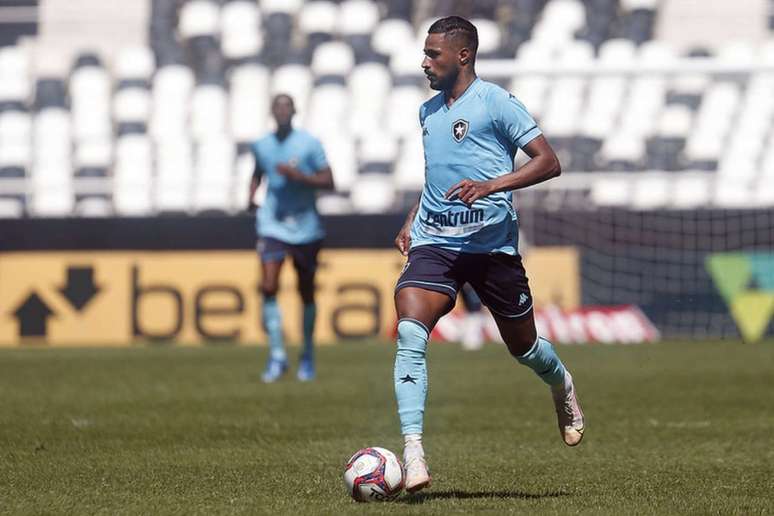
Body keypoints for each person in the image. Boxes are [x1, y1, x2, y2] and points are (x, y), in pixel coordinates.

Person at [392, 16, 585, 492]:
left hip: (492, 247)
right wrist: (412, 216)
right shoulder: (427, 111)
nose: (424, 62)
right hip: (436, 242)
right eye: (425, 52)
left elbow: (548, 161)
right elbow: (436, 173)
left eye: (433, 54)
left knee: (524, 348)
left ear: (463, 55)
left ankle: (560, 382)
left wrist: (491, 185)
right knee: (410, 330)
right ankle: (413, 453)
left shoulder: (497, 102)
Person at [248, 94, 335, 383]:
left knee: (305, 291)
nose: (282, 111)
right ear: (272, 112)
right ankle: (277, 355)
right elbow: (258, 172)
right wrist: (250, 198)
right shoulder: (262, 145)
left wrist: (299, 177)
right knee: (269, 285)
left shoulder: (309, 144)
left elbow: (329, 181)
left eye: (287, 107)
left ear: (294, 111)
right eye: (277, 107)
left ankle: (307, 353)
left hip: (306, 227)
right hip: (272, 223)